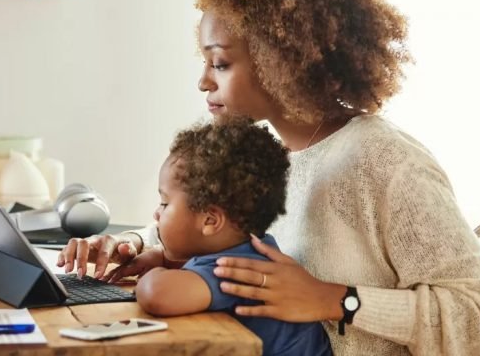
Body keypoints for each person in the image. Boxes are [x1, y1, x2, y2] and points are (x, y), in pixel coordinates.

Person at [58, 0, 480, 355]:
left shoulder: (384, 161)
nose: (203, 82)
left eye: (220, 63)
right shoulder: (271, 155)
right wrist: (139, 246)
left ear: (281, 59)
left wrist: (337, 300)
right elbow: (220, 231)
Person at [103, 117, 332, 356]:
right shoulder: (257, 248)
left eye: (165, 203)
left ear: (210, 221)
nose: (157, 213)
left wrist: (155, 275)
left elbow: (157, 295)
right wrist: (163, 260)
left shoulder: (236, 269)